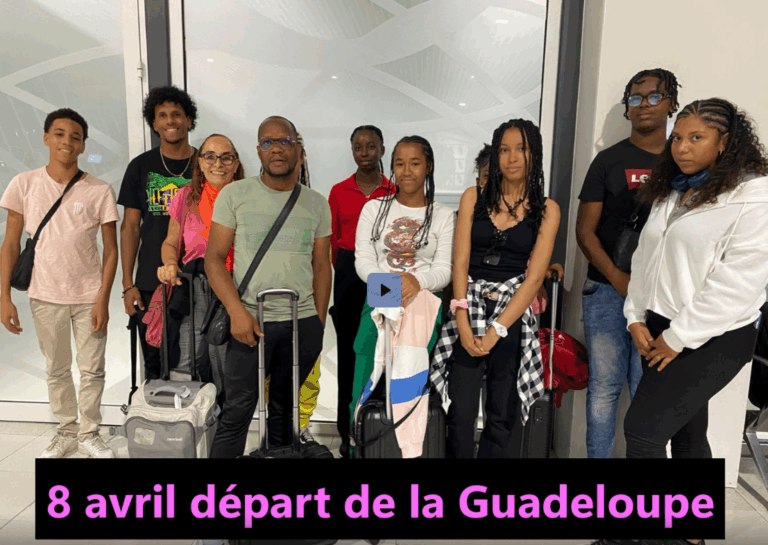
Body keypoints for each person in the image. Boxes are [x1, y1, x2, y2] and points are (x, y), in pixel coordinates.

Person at [432, 119, 560, 459]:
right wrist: (462, 322)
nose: (512, 157)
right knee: (459, 410)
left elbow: (533, 279)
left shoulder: (548, 209)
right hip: (467, 306)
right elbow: (460, 261)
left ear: (534, 154)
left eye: (521, 149)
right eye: (504, 149)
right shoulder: (473, 197)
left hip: (511, 312)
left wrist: (497, 330)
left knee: (501, 411)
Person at [206, 116, 332, 457]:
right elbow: (213, 259)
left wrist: (318, 322)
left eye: (285, 141)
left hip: (301, 322)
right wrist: (236, 312)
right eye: (267, 142)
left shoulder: (317, 202)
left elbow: (322, 266)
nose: (276, 148)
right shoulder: (235, 195)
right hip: (250, 320)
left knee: (285, 408)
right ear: (259, 151)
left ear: (298, 149)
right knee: (238, 408)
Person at [0, 109, 119, 458]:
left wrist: (103, 300)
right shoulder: (24, 183)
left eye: (75, 137)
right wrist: (4, 297)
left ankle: (89, 433)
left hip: (89, 296)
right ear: (46, 138)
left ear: (83, 146)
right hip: (44, 294)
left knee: (93, 370)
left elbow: (111, 250)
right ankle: (66, 431)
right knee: (56, 369)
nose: (67, 141)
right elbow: (10, 244)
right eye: (59, 134)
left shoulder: (99, 190)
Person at [575, 68, 681, 458]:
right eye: (635, 98)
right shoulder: (608, 161)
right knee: (604, 387)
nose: (644, 105)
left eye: (654, 96)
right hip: (606, 289)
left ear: (672, 103)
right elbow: (585, 231)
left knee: (647, 388)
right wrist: (619, 280)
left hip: (661, 297)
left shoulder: (684, 159)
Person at [350, 135, 457, 450]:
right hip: (379, 299)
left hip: (422, 304)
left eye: (415, 163)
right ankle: (361, 449)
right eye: (399, 163)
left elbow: (444, 270)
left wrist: (416, 283)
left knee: (411, 386)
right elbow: (363, 262)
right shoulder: (374, 209)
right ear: (392, 167)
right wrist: (393, 287)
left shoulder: (442, 215)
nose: (406, 171)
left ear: (428, 167)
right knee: (366, 377)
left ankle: (409, 451)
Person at [118, 85, 198, 381]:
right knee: (154, 365)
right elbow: (130, 227)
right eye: (161, 115)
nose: (170, 121)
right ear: (154, 124)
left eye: (176, 114)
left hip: (199, 280)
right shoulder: (140, 167)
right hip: (151, 282)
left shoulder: (207, 165)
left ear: (189, 120)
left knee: (198, 363)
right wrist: (128, 284)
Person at [328, 125, 395, 458]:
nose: (364, 152)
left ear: (382, 149)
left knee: (385, 345)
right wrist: (346, 270)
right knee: (349, 351)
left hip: (385, 271)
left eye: (371, 146)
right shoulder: (339, 191)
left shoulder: (394, 190)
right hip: (348, 269)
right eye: (358, 147)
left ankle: (378, 427)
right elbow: (333, 240)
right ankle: (348, 431)